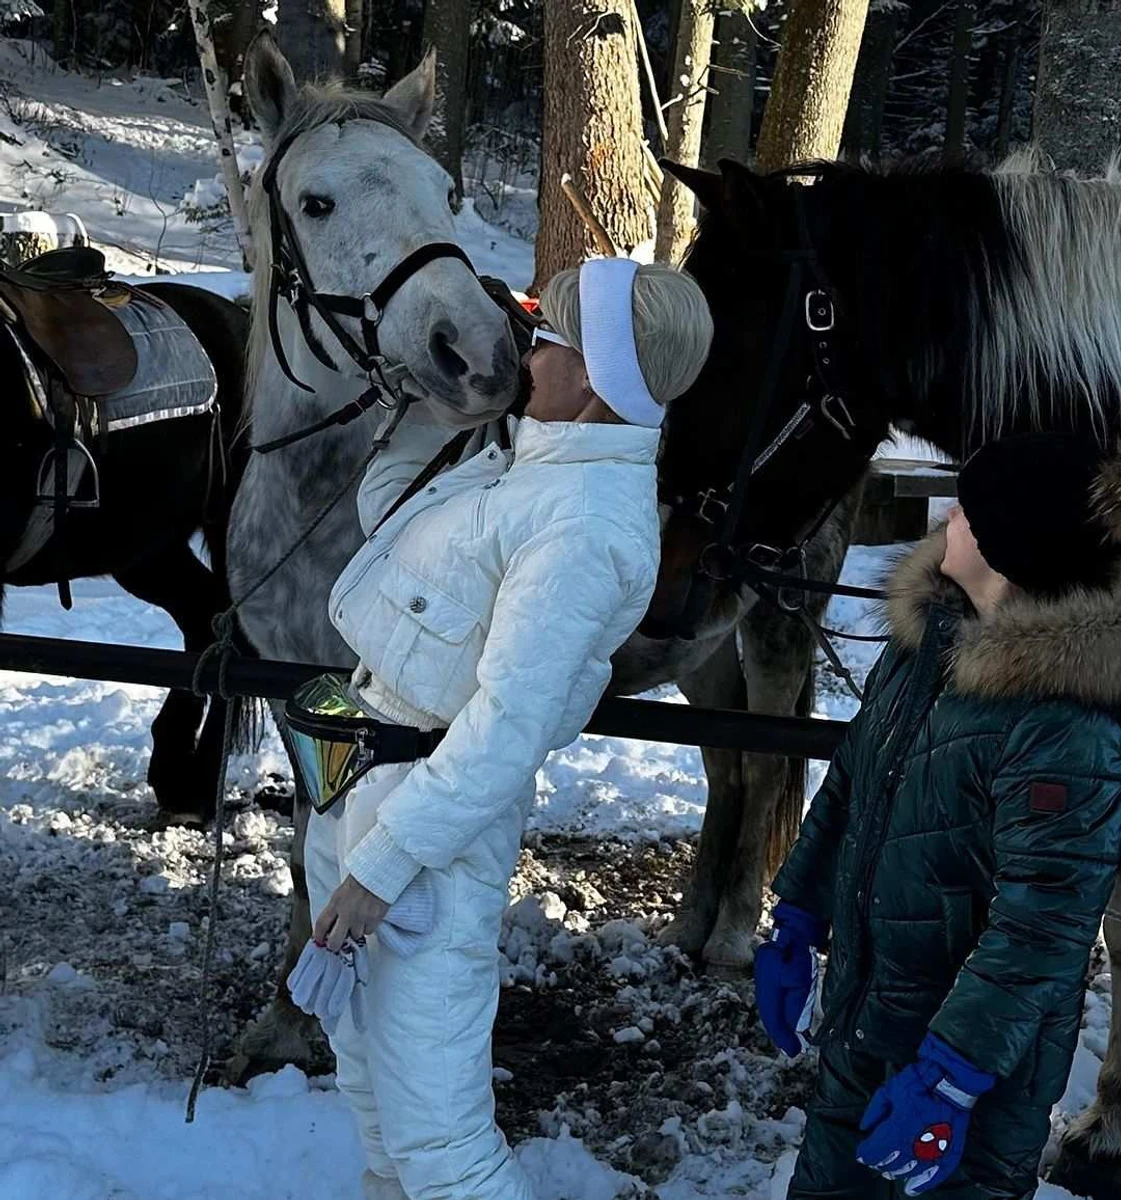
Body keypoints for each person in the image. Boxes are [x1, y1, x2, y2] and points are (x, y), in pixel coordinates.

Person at [300, 258, 714, 1200]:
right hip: (365, 776)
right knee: (369, 1069)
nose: (531, 355)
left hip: (424, 824)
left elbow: (504, 729)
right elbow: (396, 537)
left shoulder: (585, 527)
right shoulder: (531, 463)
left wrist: (380, 868)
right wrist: (422, 407)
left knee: (440, 1133)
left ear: (604, 379)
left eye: (555, 341)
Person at [756, 431, 1121, 1199]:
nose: (947, 515)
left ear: (1005, 546)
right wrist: (795, 912)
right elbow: (853, 783)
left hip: (976, 1077)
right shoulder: (925, 646)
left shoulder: (1065, 726)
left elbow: (1043, 926)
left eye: (966, 508)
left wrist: (951, 1078)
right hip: (866, 1017)